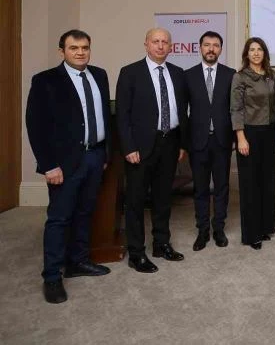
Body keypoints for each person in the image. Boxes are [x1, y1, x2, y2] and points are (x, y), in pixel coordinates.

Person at [26, 30, 112, 303]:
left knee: (85, 212)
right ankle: (52, 276)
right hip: (64, 163)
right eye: (74, 48)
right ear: (61, 51)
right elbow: (36, 126)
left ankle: (78, 262)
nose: (80, 52)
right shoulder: (46, 81)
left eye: (85, 47)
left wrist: (105, 153)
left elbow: (104, 117)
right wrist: (49, 165)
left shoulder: (99, 75)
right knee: (59, 219)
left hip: (95, 156)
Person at [116, 27, 189, 273]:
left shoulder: (178, 73)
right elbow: (123, 115)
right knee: (136, 201)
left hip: (170, 143)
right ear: (146, 44)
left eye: (165, 42)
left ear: (171, 47)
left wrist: (181, 144)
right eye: (155, 41)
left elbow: (182, 111)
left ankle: (161, 244)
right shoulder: (130, 73)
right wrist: (128, 147)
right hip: (140, 147)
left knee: (163, 198)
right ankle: (136, 253)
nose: (160, 46)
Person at [185, 31, 235, 251]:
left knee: (222, 187)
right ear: (200, 48)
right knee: (201, 188)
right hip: (198, 142)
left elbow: (236, 110)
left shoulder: (231, 75)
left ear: (220, 49)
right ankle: (203, 230)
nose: (211, 49)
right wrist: (184, 143)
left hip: (222, 141)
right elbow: (182, 111)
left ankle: (219, 228)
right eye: (207, 45)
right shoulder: (188, 76)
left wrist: (236, 138)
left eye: (215, 45)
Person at [230, 37, 275, 250]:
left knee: (267, 182)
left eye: (260, 49)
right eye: (252, 50)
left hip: (269, 132)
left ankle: (265, 227)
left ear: (264, 53)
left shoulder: (271, 75)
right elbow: (236, 109)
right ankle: (251, 234)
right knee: (250, 184)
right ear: (246, 54)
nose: (256, 53)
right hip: (249, 133)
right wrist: (240, 137)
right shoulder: (240, 77)